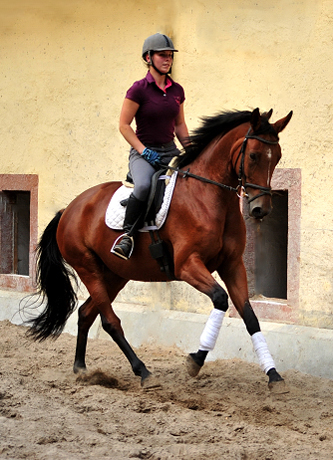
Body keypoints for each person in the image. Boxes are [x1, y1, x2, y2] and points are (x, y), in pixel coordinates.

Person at [111, 33, 190, 260]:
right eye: (162, 55)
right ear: (148, 57)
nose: (168, 60)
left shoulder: (177, 91)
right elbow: (124, 126)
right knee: (144, 186)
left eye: (170, 56)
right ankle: (128, 236)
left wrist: (192, 149)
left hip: (170, 151)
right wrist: (143, 150)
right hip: (144, 154)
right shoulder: (138, 90)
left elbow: (180, 124)